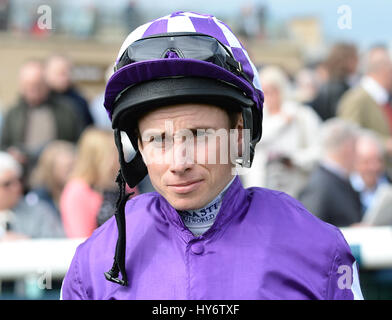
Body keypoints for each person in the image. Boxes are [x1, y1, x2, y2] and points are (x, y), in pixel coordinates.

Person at [61, 12, 363, 300]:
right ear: (137, 144)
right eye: (158, 139)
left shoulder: (319, 250)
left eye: (200, 135)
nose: (179, 163)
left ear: (239, 131)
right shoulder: (93, 261)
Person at [241, 65, 321, 198]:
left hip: (295, 193)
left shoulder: (302, 116)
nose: (267, 97)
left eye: (272, 91)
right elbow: (245, 149)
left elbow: (319, 152)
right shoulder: (253, 118)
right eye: (263, 91)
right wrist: (280, 122)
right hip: (258, 194)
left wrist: (294, 159)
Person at [0, 60, 82, 183]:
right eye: (28, 85)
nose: (33, 90)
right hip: (23, 177)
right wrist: (13, 154)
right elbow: (4, 146)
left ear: (46, 84)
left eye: (37, 85)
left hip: (57, 178)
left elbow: (79, 142)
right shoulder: (13, 113)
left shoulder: (66, 110)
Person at [298, 118, 362, 227]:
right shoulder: (320, 185)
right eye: (355, 148)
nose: (358, 155)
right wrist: (350, 232)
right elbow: (310, 230)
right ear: (347, 148)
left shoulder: (337, 180)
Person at [59, 128, 121, 238]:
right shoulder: (77, 191)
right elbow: (82, 239)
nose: (121, 157)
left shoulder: (123, 183)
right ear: (98, 158)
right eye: (115, 152)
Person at [337, 46, 392, 160]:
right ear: (385, 71)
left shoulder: (383, 96)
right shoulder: (356, 99)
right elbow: (349, 135)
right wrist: (384, 144)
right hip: (373, 169)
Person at [0, 151, 64, 240]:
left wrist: (28, 242)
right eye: (7, 184)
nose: (16, 187)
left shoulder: (40, 212)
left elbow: (58, 241)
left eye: (19, 180)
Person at [28, 140, 76, 220]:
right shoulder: (37, 199)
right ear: (51, 170)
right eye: (69, 168)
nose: (74, 173)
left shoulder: (77, 194)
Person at [45, 54, 94, 130]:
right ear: (47, 73)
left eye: (68, 72)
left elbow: (88, 128)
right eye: (61, 73)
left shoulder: (79, 101)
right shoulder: (40, 99)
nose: (65, 77)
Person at [311, 43, 358, 121]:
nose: (357, 62)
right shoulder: (338, 88)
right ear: (347, 60)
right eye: (355, 58)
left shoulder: (332, 84)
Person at [350, 130, 392, 217]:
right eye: (366, 162)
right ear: (355, 163)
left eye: (378, 160)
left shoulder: (388, 182)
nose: (373, 167)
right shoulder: (345, 188)